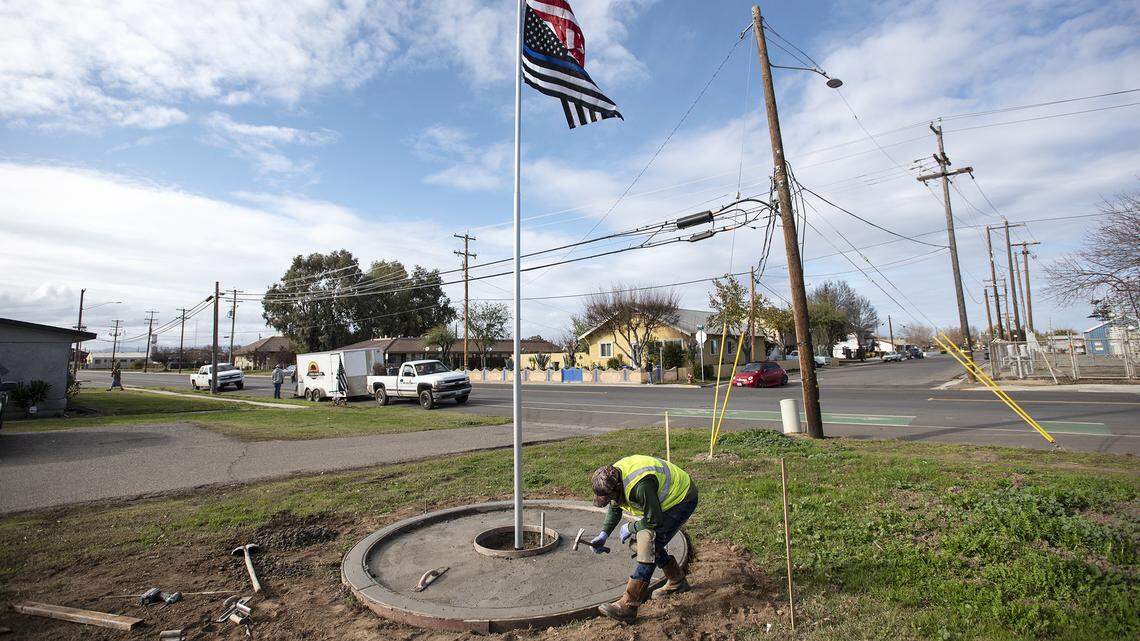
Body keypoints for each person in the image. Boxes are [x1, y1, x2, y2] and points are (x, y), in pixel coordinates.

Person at [587, 456, 698, 623]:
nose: (610, 501)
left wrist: (630, 527)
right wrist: (604, 534)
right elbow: (615, 506)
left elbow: (654, 520)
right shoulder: (613, 476)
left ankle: (628, 606)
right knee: (643, 543)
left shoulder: (640, 486)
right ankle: (677, 581)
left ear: (617, 488)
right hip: (660, 504)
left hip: (682, 498)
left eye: (610, 497)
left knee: (648, 545)